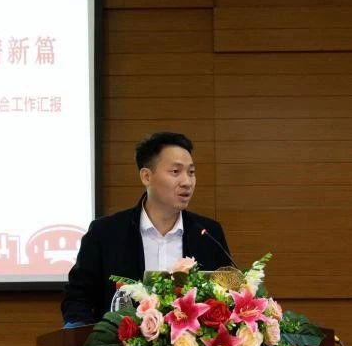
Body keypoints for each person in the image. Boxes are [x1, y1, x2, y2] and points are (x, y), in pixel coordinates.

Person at [61, 132, 234, 326]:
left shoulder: (208, 234)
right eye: (175, 171)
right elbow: (77, 299)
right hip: (120, 344)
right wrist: (94, 338)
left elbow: (229, 296)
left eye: (191, 172)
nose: (187, 182)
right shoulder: (105, 233)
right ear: (146, 176)